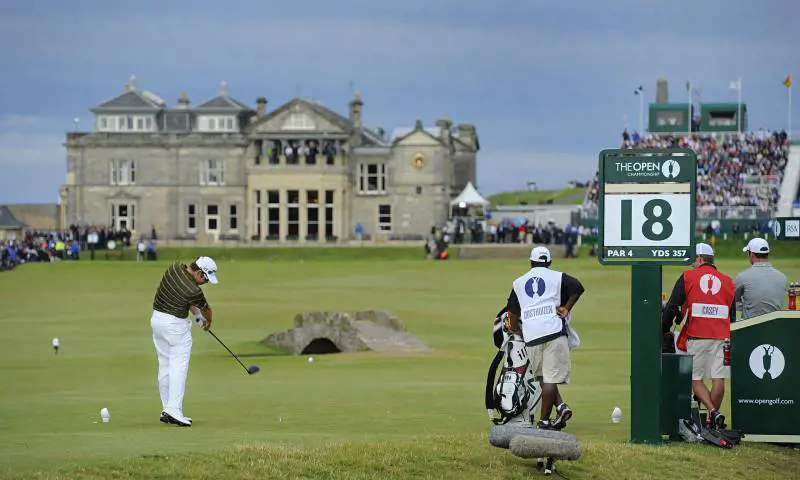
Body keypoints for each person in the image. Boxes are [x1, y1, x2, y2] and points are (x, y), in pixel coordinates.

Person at [506, 245, 585, 430]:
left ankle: (556, 410)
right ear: (549, 262)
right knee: (549, 379)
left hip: (532, 335)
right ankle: (547, 418)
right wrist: (567, 307)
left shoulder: (518, 282)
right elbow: (578, 288)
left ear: (531, 262)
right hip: (554, 332)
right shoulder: (558, 276)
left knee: (543, 377)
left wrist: (513, 329)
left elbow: (512, 312)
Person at [662, 243, 735, 428]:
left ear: (700, 259)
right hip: (723, 335)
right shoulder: (728, 280)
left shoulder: (688, 277)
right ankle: (713, 422)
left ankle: (713, 411)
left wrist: (663, 328)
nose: (691, 264)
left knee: (695, 379)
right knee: (719, 379)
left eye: (693, 260)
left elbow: (672, 305)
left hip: (697, 334)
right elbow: (731, 314)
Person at [150, 256, 218, 427]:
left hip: (157, 321)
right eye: (205, 278)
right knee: (178, 367)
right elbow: (206, 309)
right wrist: (207, 321)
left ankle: (167, 409)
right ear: (199, 272)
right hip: (174, 326)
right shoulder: (194, 290)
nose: (205, 282)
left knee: (165, 365)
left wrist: (196, 316)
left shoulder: (174, 268)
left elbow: (187, 299)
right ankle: (174, 410)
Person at [735, 238, 788, 320]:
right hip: (774, 327)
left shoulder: (742, 277)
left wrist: (747, 305)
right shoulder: (783, 277)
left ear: (752, 254)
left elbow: (732, 301)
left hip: (749, 329)